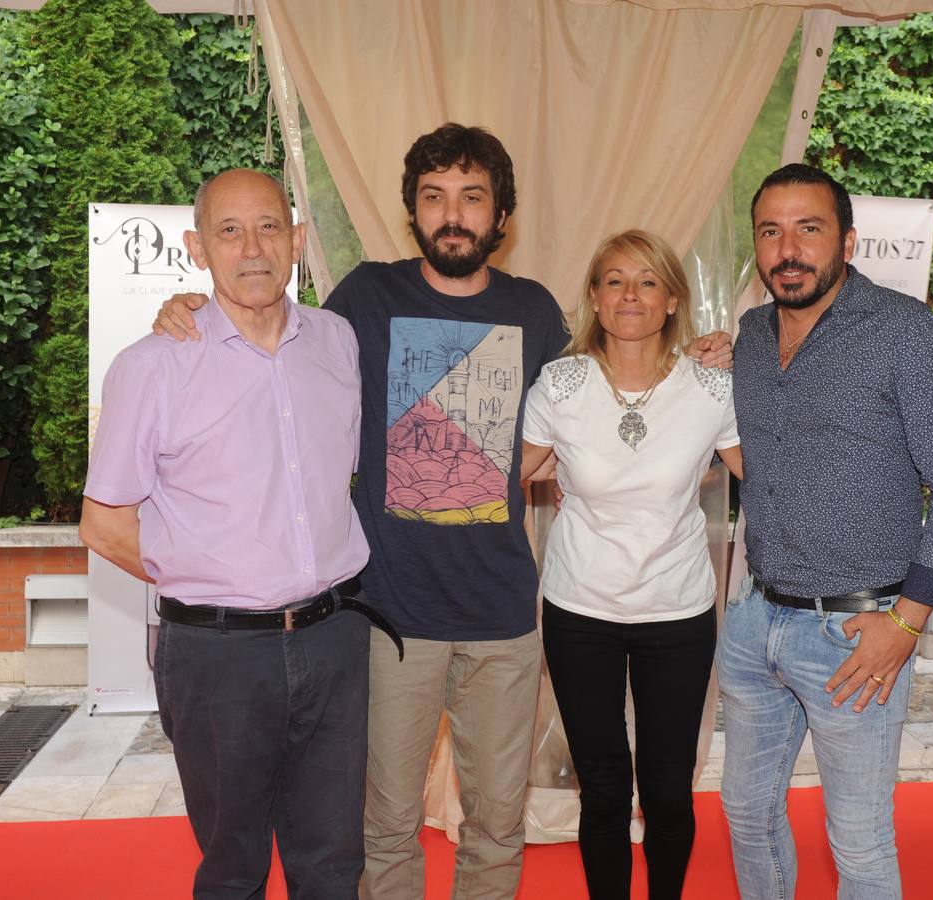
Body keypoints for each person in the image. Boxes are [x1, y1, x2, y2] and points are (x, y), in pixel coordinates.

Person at [153, 124, 733, 900]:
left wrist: (709, 353)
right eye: (434, 198)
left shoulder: (532, 312)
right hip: (392, 615)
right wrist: (191, 306)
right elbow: (276, 332)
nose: (452, 214)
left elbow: (598, 395)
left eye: (471, 198)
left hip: (503, 615)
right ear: (413, 212)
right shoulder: (364, 295)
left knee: (497, 821)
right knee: (385, 820)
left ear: (501, 216)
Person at [81, 168, 396, 899]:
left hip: (335, 639)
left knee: (333, 864)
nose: (252, 248)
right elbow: (102, 524)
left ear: (297, 239)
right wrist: (212, 576)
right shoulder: (152, 366)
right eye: (229, 231)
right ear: (197, 247)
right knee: (232, 870)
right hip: (217, 657)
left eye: (268, 227)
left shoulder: (338, 343)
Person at [717, 163, 933, 900]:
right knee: (745, 814)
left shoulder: (907, 335)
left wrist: (906, 623)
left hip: (857, 635)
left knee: (861, 845)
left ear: (847, 240)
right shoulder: (748, 336)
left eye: (809, 229)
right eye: (770, 232)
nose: (789, 249)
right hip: (754, 624)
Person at [519, 230, 743, 900]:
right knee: (606, 791)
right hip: (578, 609)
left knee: (670, 793)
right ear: (594, 295)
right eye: (614, 280)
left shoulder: (711, 388)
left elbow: (766, 474)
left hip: (676, 611)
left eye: (647, 281)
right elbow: (504, 476)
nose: (630, 295)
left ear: (673, 299)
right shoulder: (560, 384)